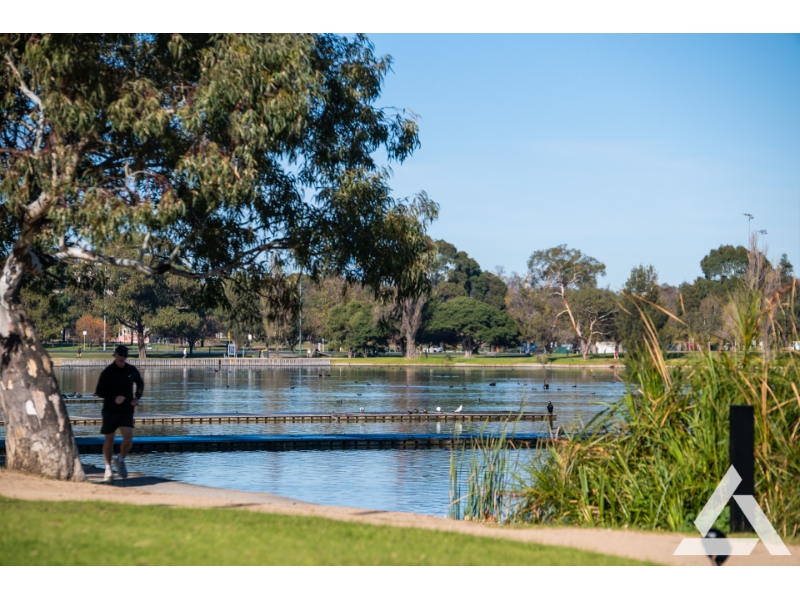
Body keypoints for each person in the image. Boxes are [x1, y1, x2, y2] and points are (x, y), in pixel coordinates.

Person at [95, 345, 144, 481]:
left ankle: (120, 460)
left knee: (128, 437)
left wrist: (137, 397)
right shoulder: (108, 372)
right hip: (110, 410)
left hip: (126, 410)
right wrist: (114, 398)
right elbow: (99, 391)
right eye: (120, 355)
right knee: (109, 439)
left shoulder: (131, 370)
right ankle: (108, 468)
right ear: (115, 355)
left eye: (124, 355)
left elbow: (140, 383)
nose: (122, 357)